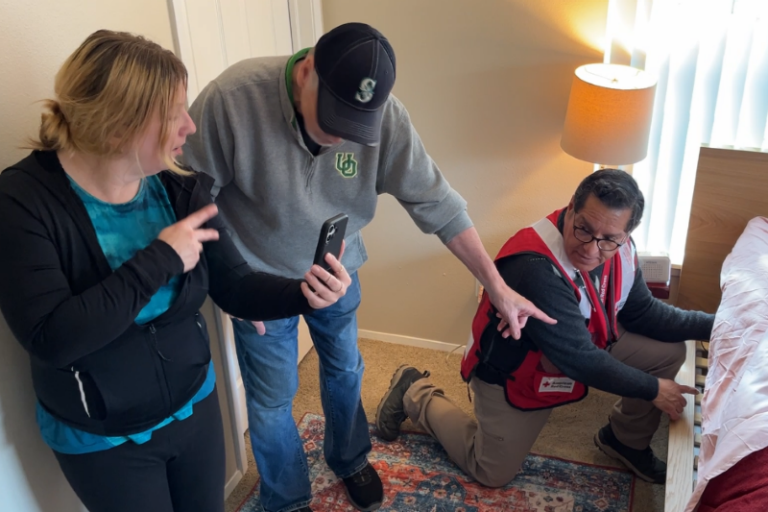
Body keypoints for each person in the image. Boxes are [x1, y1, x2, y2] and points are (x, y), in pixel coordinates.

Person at [182, 22, 554, 512]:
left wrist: (497, 287)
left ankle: (350, 457)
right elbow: (187, 196)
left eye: (354, 127)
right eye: (333, 118)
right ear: (308, 70)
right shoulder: (232, 99)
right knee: (273, 400)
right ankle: (287, 497)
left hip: (338, 271)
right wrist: (229, 284)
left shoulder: (388, 120)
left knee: (345, 368)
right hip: (259, 281)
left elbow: (439, 204)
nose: (340, 138)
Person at [0, 30, 350, 512]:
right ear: (118, 126)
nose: (189, 126)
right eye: (173, 115)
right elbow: (52, 337)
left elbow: (236, 284)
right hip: (104, 438)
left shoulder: (178, 186)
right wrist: (161, 257)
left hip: (193, 403)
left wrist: (306, 293)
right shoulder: (22, 202)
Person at [376, 169, 715, 487]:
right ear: (570, 208)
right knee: (491, 471)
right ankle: (414, 391)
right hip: (518, 370)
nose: (590, 247)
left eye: (608, 239)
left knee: (669, 352)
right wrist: (653, 389)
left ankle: (624, 440)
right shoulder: (535, 267)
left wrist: (718, 324)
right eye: (583, 228)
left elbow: (644, 314)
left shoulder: (622, 249)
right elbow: (579, 360)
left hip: (584, 344)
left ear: (626, 236)